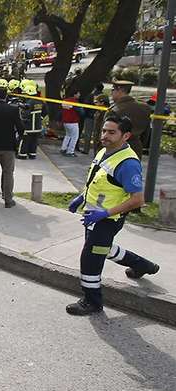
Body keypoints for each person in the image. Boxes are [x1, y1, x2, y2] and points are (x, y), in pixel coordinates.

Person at [65, 116, 160, 315]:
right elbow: (99, 183)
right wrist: (81, 198)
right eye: (104, 131)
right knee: (103, 250)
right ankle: (143, 265)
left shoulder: (128, 163)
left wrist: (104, 214)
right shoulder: (104, 151)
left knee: (91, 258)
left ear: (125, 135)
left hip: (107, 221)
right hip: (93, 217)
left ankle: (92, 302)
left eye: (111, 132)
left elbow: (138, 200)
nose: (105, 136)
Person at [105, 80, 152, 158]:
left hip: (116, 149)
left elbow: (106, 135)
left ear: (120, 90)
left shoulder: (115, 110)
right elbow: (146, 133)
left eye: (113, 90)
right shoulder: (145, 108)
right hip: (136, 148)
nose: (111, 93)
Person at [16, 85, 43, 159]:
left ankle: (22, 155)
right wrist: (40, 117)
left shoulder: (29, 102)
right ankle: (32, 154)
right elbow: (45, 111)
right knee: (34, 141)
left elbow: (25, 114)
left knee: (24, 140)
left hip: (29, 126)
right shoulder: (40, 101)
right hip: (37, 127)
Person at [60, 89, 82, 157]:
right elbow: (81, 112)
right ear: (74, 94)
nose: (79, 95)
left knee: (68, 135)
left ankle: (63, 148)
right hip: (73, 122)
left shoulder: (64, 101)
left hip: (65, 121)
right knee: (74, 137)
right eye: (78, 93)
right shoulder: (75, 102)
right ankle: (70, 151)